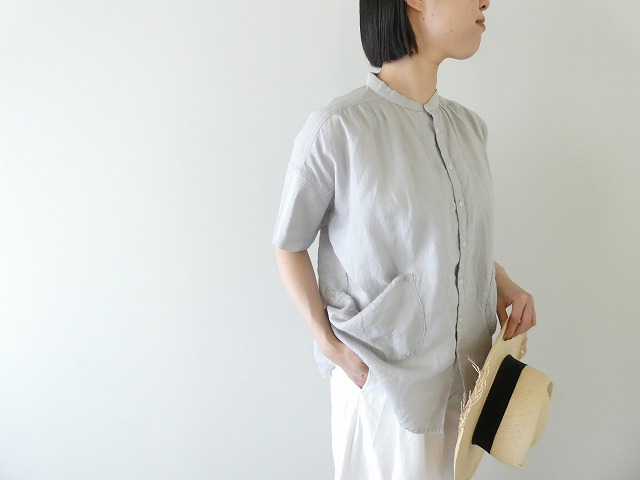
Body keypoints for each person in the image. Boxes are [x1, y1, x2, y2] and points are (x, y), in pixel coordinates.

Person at [273, 0, 536, 478]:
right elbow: (289, 245)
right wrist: (328, 343)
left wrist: (501, 282)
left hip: (467, 384)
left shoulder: (469, 129)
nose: (485, 2)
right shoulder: (339, 129)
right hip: (383, 389)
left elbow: (444, 239)